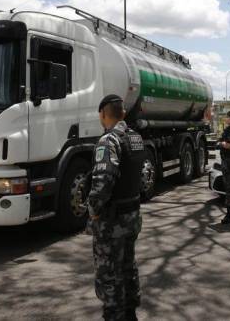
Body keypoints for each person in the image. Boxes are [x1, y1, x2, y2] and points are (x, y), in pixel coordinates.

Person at [88, 94, 145, 321]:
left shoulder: (109, 140)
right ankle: (130, 313)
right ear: (122, 112)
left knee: (109, 273)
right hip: (132, 216)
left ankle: (114, 315)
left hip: (112, 221)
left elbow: (103, 180)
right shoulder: (135, 138)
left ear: (103, 114)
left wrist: (93, 211)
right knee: (128, 266)